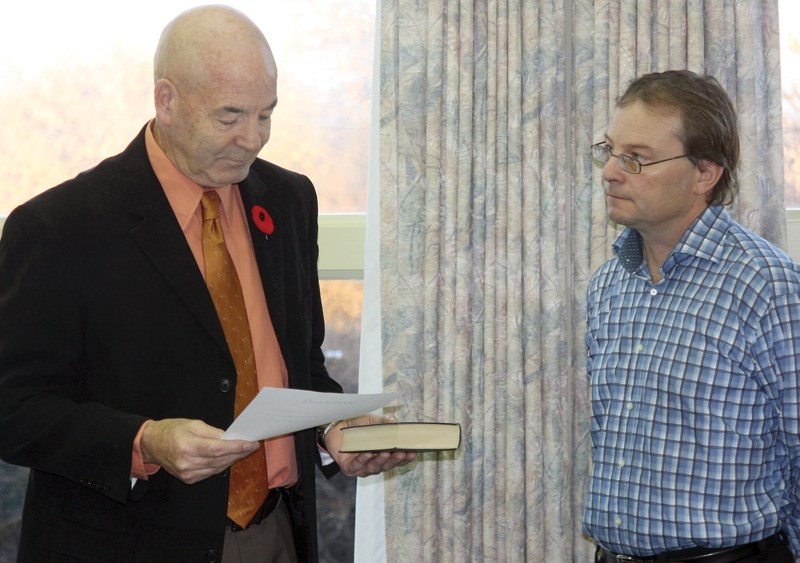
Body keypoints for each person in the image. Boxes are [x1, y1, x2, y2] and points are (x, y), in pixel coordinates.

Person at [0, 6, 415, 562]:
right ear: (166, 100)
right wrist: (143, 441)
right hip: (130, 542)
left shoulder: (289, 201)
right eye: (229, 117)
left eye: (267, 114)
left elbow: (299, 367)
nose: (253, 139)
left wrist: (332, 432)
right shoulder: (58, 227)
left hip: (276, 534)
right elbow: (14, 407)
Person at [584, 69, 800, 562]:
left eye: (636, 159)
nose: (610, 172)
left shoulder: (767, 287)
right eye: (610, 151)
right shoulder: (609, 285)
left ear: (705, 172)